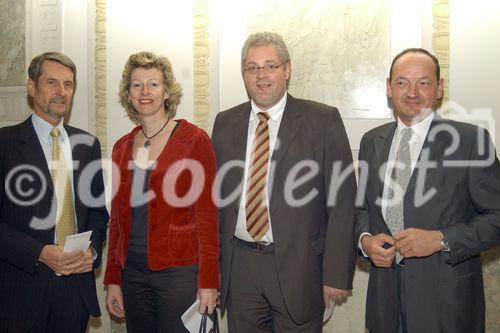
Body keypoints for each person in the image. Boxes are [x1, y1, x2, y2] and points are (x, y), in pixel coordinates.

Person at [212, 32, 357, 332]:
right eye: (252, 67)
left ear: (287, 69)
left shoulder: (322, 120)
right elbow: (214, 202)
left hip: (300, 268)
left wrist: (336, 274)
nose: (261, 75)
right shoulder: (225, 123)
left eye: (270, 66)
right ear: (243, 74)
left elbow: (342, 203)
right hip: (240, 269)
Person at [355, 48, 500, 333]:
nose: (412, 92)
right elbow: (361, 208)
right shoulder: (371, 142)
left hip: (447, 307)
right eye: (402, 82)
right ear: (388, 87)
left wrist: (442, 239)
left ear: (440, 87)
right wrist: (365, 241)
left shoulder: (471, 141)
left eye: (423, 82)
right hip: (385, 306)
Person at [104, 51, 219, 332]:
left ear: (167, 91)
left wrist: (209, 282)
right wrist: (113, 280)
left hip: (179, 274)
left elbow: (207, 218)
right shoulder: (121, 147)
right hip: (132, 274)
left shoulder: (194, 140)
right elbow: (117, 222)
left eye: (153, 84)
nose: (145, 92)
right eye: (137, 85)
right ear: (128, 94)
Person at [0, 52, 109, 332]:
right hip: (20, 292)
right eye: (52, 82)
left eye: (69, 84)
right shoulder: (4, 144)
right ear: (32, 87)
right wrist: (40, 252)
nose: (62, 92)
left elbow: (97, 213)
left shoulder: (87, 144)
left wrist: (92, 251)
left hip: (75, 293)